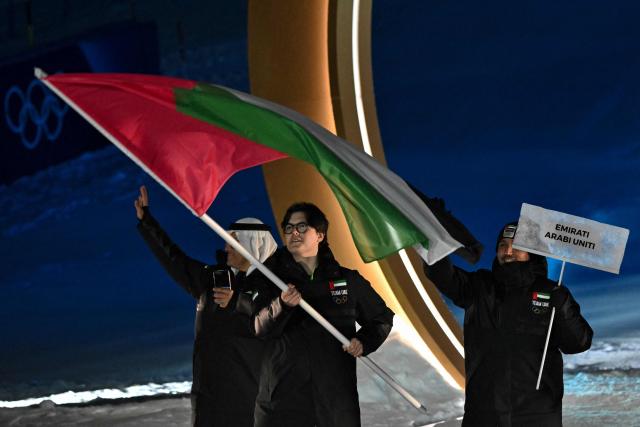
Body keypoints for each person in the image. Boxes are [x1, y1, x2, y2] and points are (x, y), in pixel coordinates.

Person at [424, 221, 593, 426]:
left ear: (532, 253)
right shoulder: (479, 287)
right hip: (484, 414)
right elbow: (441, 274)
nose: (508, 251)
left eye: (518, 246)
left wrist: (564, 310)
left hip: (538, 416)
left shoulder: (553, 293)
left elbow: (578, 343)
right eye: (503, 245)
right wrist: (433, 230)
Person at [134, 185, 278, 427]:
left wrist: (238, 301)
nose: (226, 249)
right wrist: (147, 222)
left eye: (232, 244)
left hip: (251, 399)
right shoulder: (213, 278)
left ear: (253, 245)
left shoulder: (274, 288)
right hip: (208, 394)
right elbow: (174, 259)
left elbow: (270, 319)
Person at [242, 202, 394, 427]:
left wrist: (364, 341)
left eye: (302, 227)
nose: (294, 233)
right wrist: (281, 305)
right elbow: (257, 328)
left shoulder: (347, 280)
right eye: (288, 228)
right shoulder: (266, 279)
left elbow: (382, 317)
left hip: (335, 402)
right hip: (282, 403)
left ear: (320, 234)